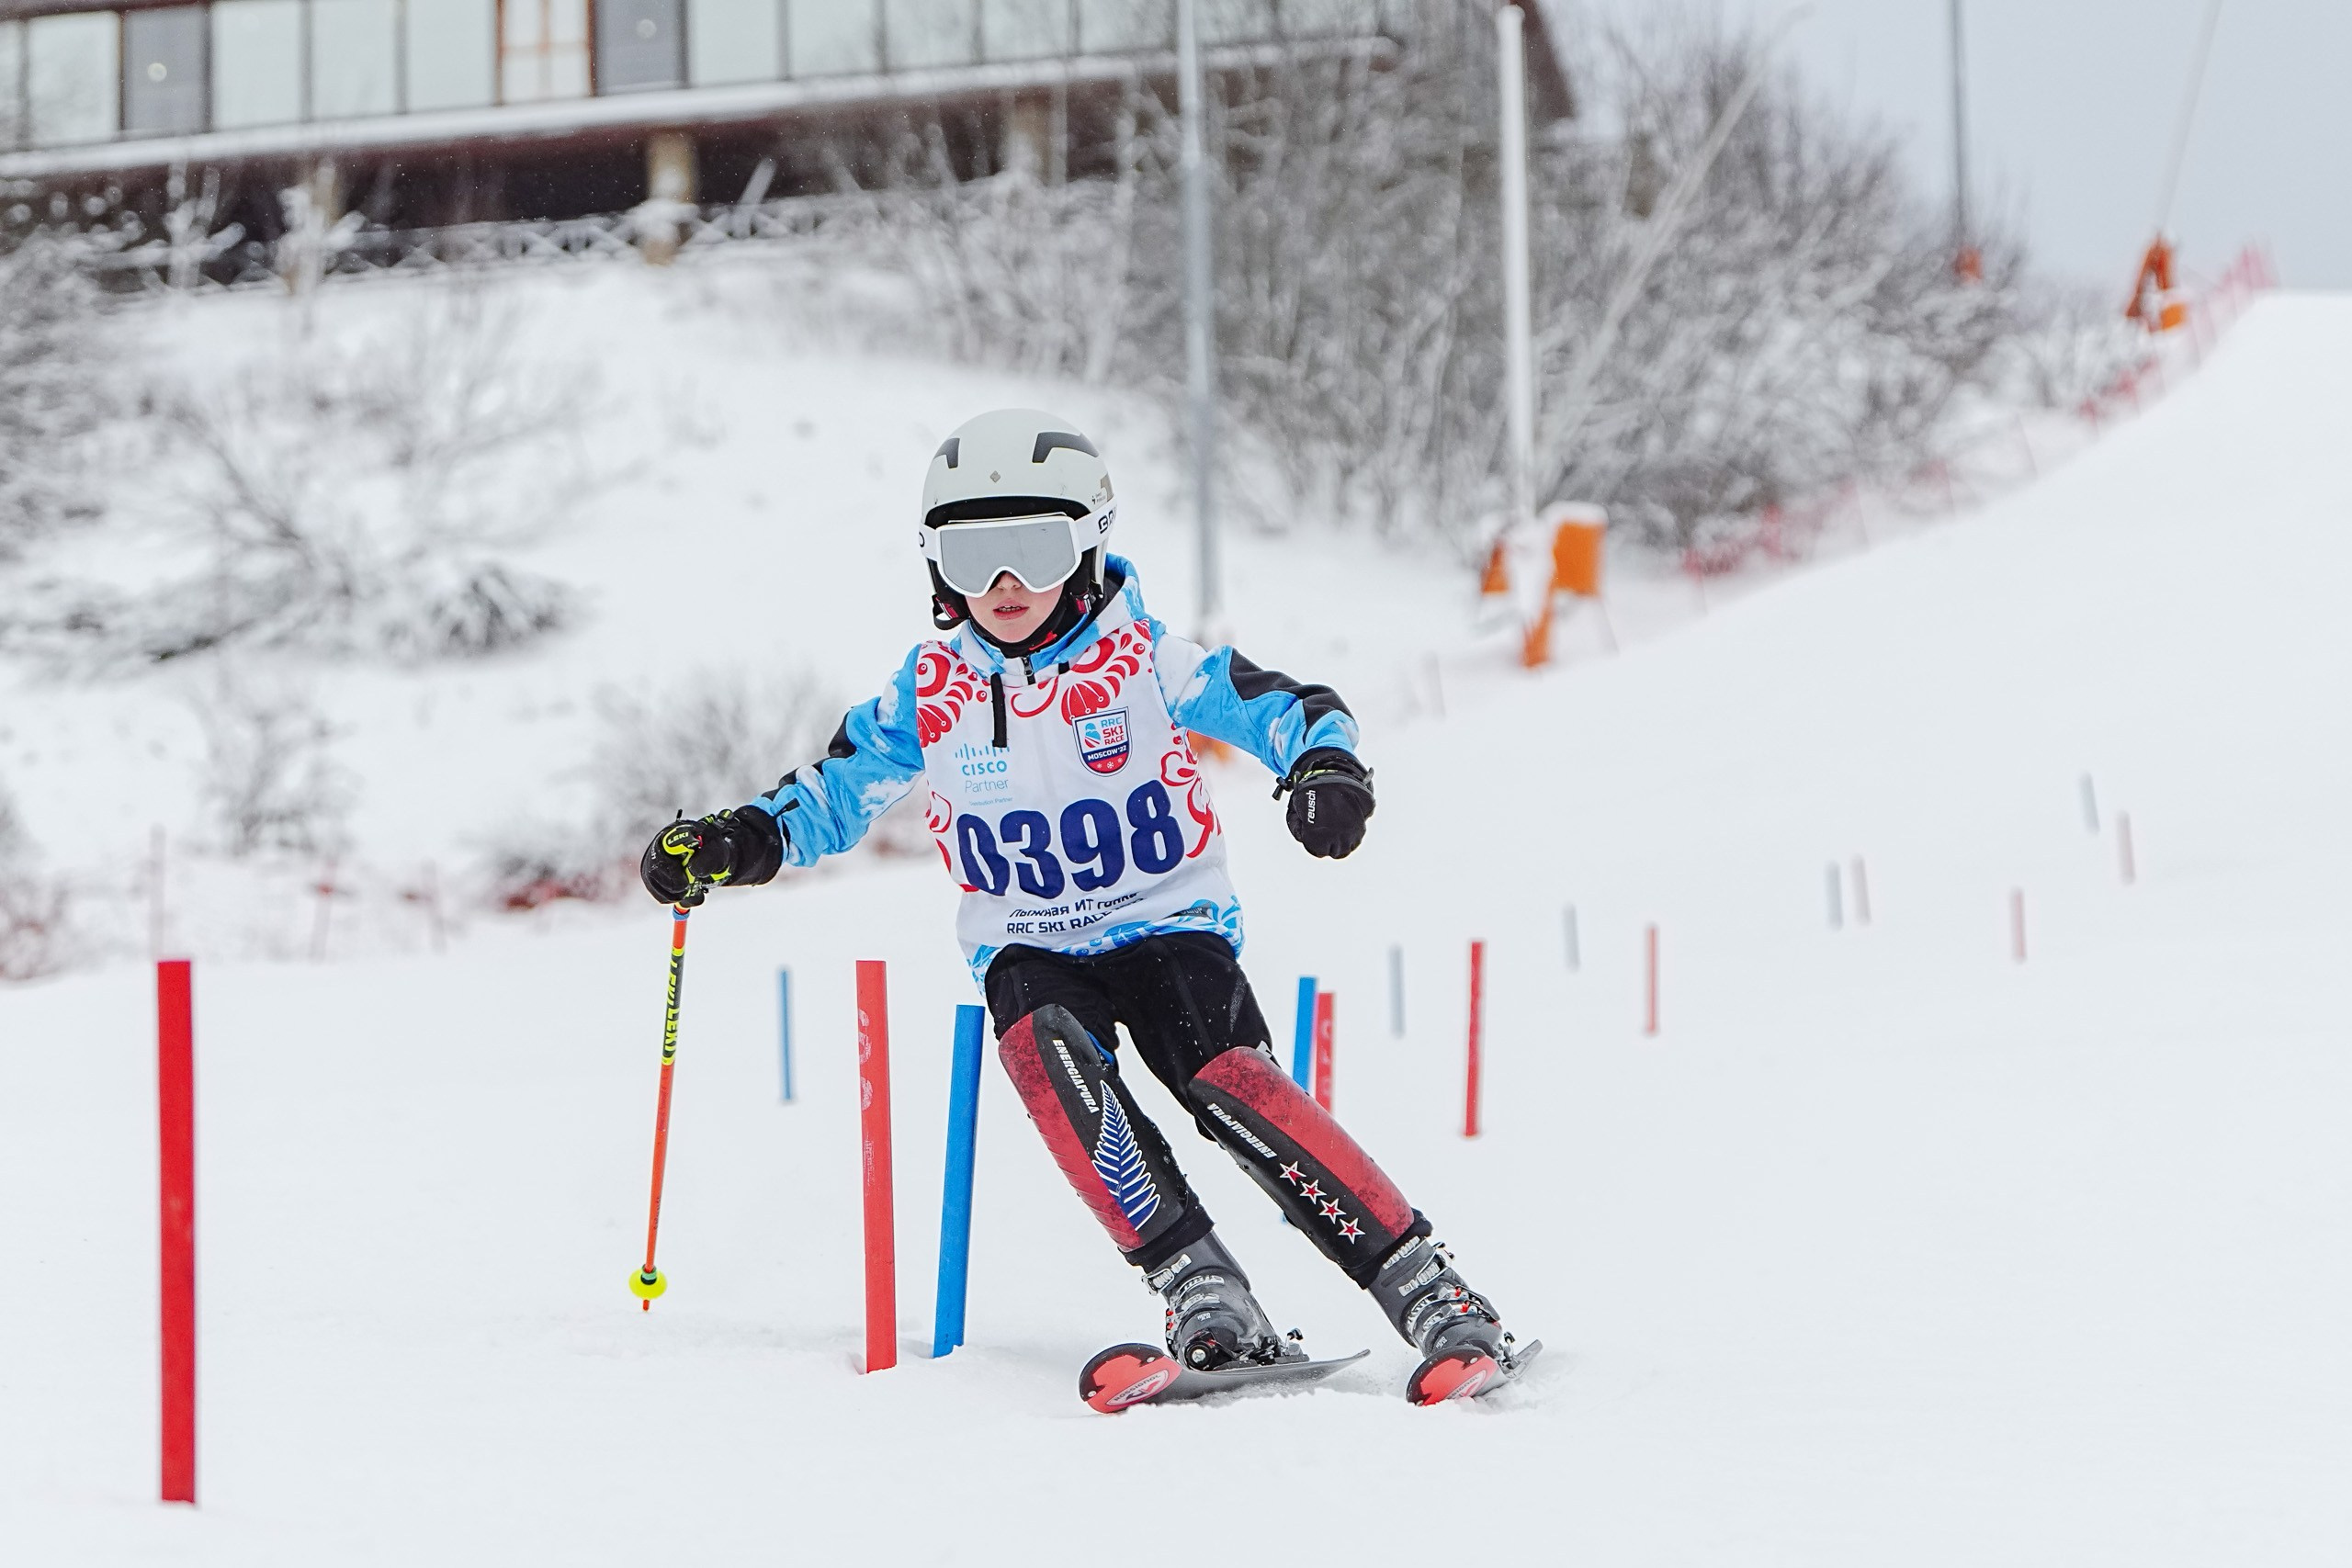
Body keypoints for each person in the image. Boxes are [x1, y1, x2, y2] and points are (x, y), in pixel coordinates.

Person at [639, 409, 1525, 1405]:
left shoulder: (1143, 660)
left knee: (1226, 1084)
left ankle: (1429, 1292)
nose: (1003, 586)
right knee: (1047, 1052)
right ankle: (1201, 1290)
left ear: (1091, 546)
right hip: (1026, 940)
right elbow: (833, 791)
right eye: (973, 558)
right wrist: (736, 841)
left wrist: (1323, 766)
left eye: (1033, 549)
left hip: (1164, 923)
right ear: (937, 568)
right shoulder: (929, 689)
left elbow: (1288, 704)